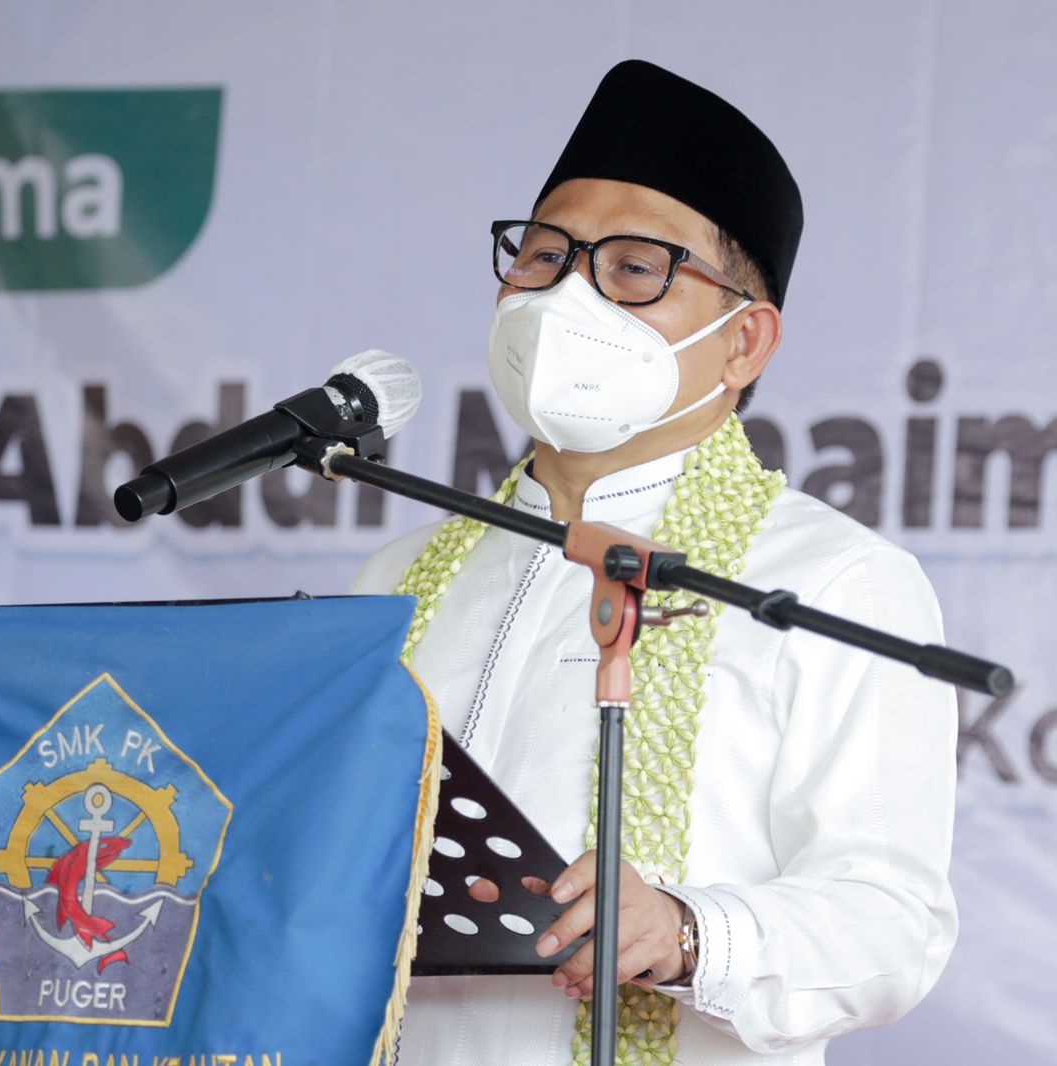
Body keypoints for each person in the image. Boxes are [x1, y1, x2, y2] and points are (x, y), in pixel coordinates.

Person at [353, 59, 957, 1065]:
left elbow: (891, 923)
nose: (564, 294)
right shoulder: (397, 577)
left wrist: (687, 932)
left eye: (633, 266)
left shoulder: (831, 582)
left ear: (743, 341)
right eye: (542, 253)